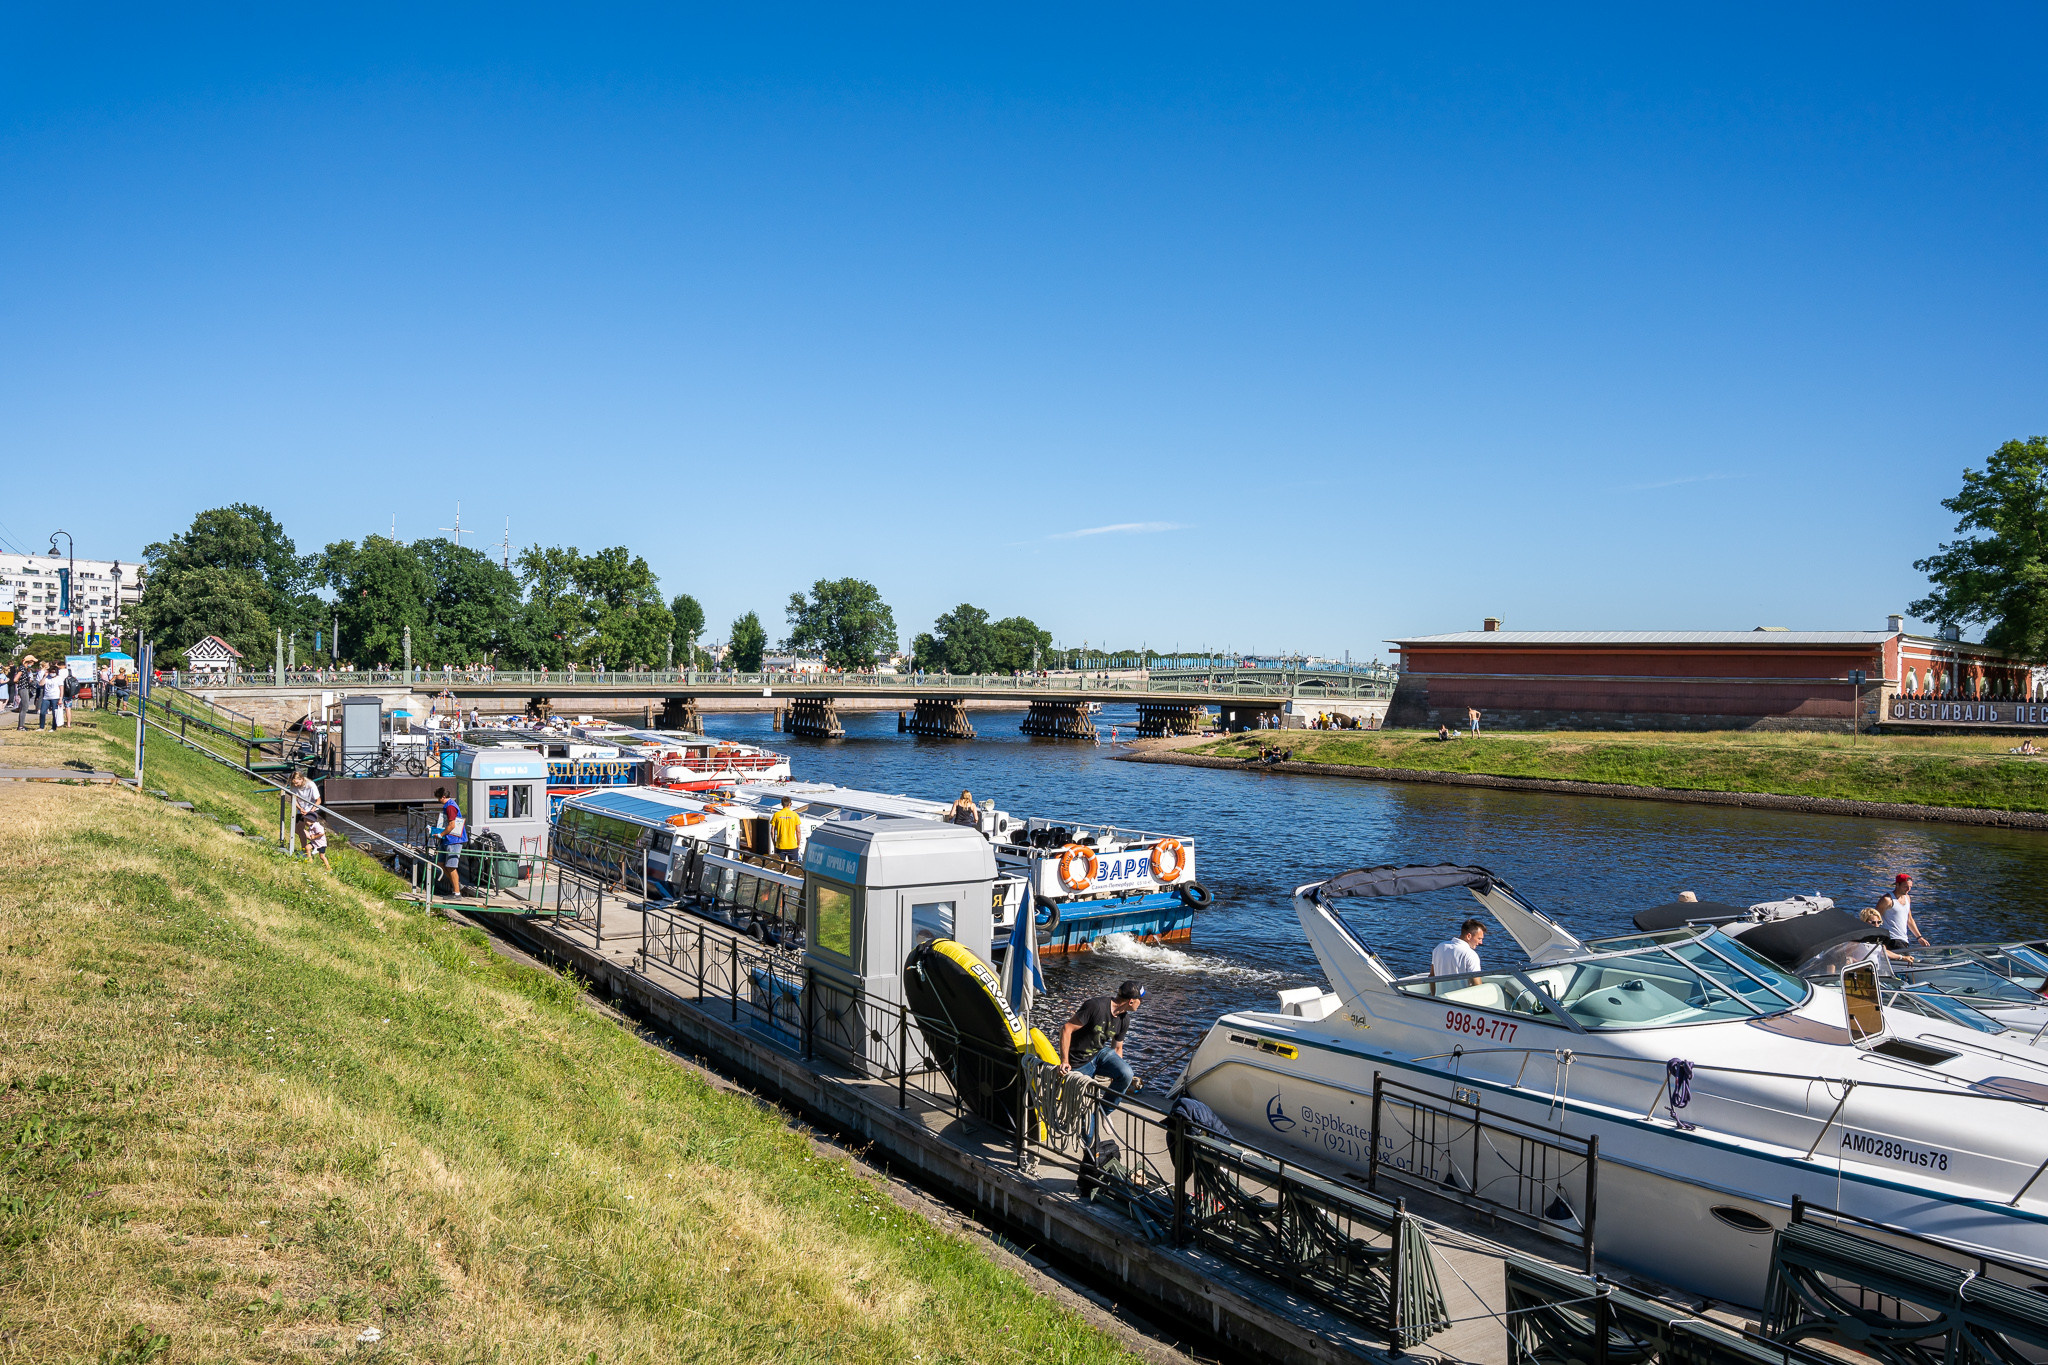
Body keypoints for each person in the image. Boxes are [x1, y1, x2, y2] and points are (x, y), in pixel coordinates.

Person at [1058, 981, 1146, 1110]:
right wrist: (1064, 1061)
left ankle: (1104, 1111)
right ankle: (1090, 1121)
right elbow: (1066, 1029)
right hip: (1078, 1061)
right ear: (1131, 1001)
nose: (1142, 1003)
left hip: (1099, 1054)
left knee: (1126, 1074)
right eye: (1141, 1000)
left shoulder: (1124, 1020)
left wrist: (1116, 1071)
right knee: (1083, 1113)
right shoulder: (1095, 1006)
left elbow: (1117, 1048)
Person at [1431, 918, 1486, 990]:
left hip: (1440, 998)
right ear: (1469, 936)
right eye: (1479, 938)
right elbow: (1477, 985)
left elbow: (1432, 976)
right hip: (1458, 1000)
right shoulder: (1470, 954)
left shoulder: (1439, 947)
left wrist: (1434, 996)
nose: (1481, 942)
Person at [433, 786, 467, 896]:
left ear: (443, 797)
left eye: (439, 798)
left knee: (452, 867)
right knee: (441, 863)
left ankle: (457, 893)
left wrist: (440, 834)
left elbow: (452, 825)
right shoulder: (448, 805)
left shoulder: (450, 807)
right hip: (447, 840)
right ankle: (456, 883)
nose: (438, 801)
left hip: (454, 840)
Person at [1883, 875, 1928, 949]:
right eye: (1906, 886)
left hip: (1904, 939)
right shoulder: (1887, 900)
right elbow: (1874, 917)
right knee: (1908, 959)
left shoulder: (1907, 898)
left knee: (1908, 959)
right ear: (1897, 885)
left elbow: (1909, 919)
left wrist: (1919, 937)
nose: (1908, 889)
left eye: (1910, 887)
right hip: (1891, 940)